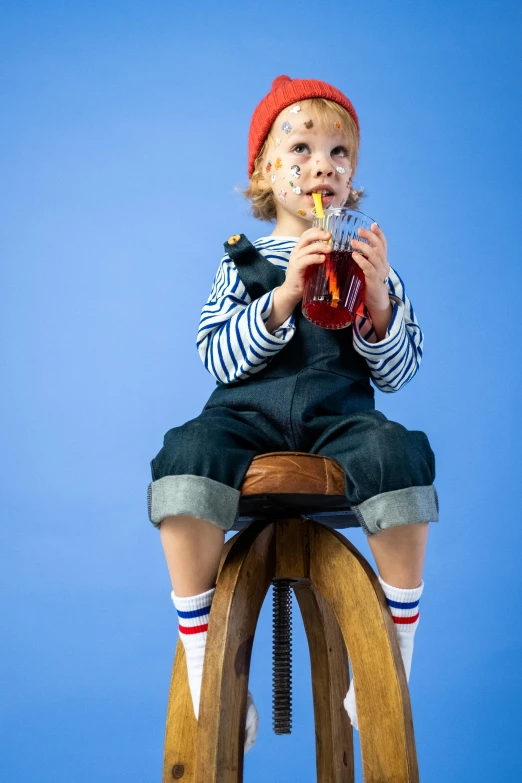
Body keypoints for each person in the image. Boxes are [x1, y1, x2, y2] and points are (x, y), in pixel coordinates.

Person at [147, 74, 439, 752]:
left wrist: (378, 302)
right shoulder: (243, 262)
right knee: (184, 453)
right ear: (264, 169)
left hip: (339, 422)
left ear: (353, 176)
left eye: (339, 154)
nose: (321, 166)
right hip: (244, 421)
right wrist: (281, 296)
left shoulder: (369, 264)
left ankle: (392, 658)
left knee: (398, 451)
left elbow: (398, 373)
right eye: (301, 147)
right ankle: (203, 661)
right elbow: (217, 357)